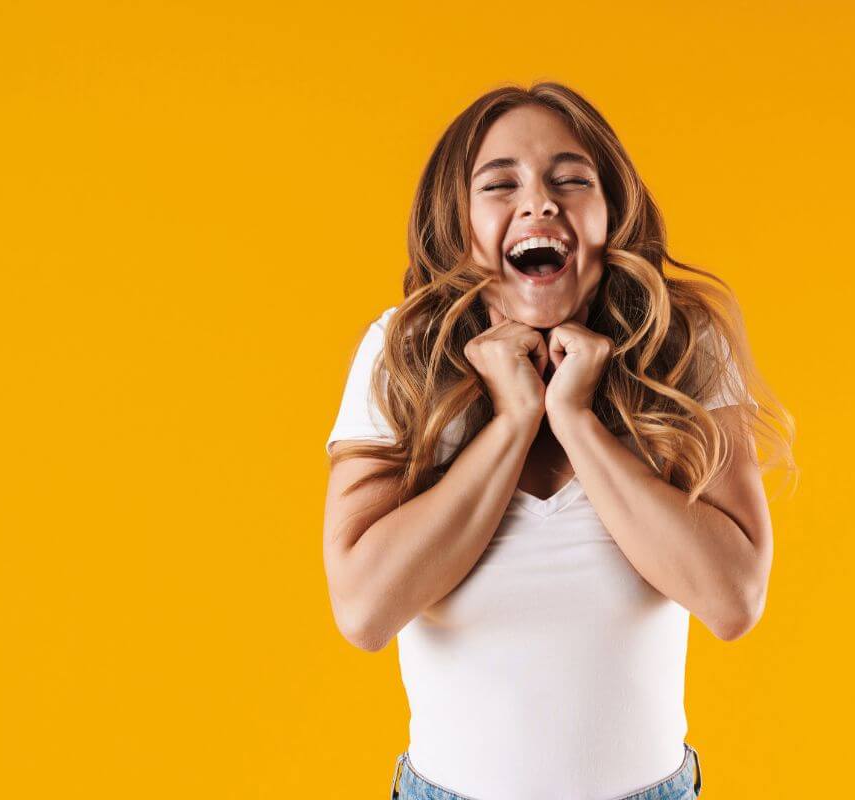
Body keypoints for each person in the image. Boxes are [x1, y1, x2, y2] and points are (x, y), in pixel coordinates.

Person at [322, 82, 796, 800]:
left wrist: (576, 419)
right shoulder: (402, 354)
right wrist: (513, 421)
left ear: (611, 216)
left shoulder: (683, 347)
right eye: (500, 183)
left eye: (571, 180)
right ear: (459, 225)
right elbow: (364, 610)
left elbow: (732, 599)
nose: (540, 202)